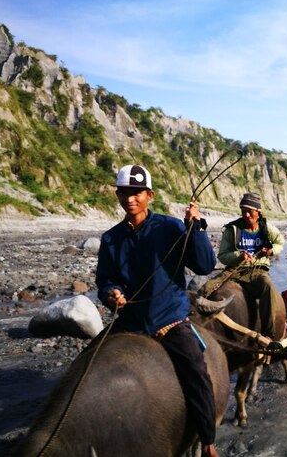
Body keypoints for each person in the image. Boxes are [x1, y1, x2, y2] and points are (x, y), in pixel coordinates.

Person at [96, 164, 220, 457]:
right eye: (124, 192)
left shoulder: (170, 227)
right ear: (117, 195)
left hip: (169, 320)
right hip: (130, 321)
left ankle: (208, 442)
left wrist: (196, 227)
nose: (130, 199)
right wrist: (111, 294)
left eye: (136, 193)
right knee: (87, 362)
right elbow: (105, 280)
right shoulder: (111, 239)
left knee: (197, 372)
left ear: (149, 195)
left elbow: (204, 265)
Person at [199, 192, 284, 341]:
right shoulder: (233, 229)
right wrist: (239, 256)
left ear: (258, 212)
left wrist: (271, 250)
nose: (246, 215)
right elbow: (223, 255)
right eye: (243, 211)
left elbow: (280, 242)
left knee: (268, 287)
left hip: (257, 271)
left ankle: (269, 334)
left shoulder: (266, 228)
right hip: (235, 270)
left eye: (249, 211)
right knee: (206, 288)